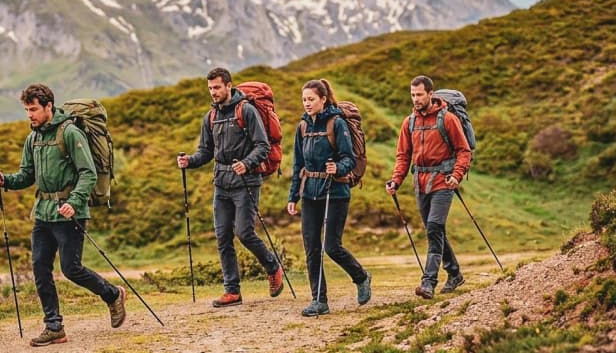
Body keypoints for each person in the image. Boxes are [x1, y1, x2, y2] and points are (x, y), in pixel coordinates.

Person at [0, 83, 126, 346]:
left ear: (48, 106)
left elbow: (88, 173)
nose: (30, 115)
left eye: (33, 109)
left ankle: (112, 295)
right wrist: (5, 180)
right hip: (43, 213)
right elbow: (26, 176)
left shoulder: (71, 133)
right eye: (27, 110)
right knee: (40, 268)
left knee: (71, 269)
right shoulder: (33, 138)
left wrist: (74, 202)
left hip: (69, 213)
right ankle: (54, 327)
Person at [176, 67, 284, 308]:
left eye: (217, 87)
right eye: (210, 88)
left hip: (246, 182)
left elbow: (262, 146)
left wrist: (246, 164)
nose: (213, 92)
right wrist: (189, 161)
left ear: (228, 86)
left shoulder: (246, 110)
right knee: (222, 236)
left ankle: (273, 266)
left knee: (244, 233)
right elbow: (206, 152)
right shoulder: (211, 117)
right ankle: (232, 291)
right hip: (221, 184)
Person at [286, 78, 371, 316]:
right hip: (310, 193)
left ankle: (361, 276)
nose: (307, 104)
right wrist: (293, 196)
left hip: (335, 193)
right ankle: (319, 301)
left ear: (323, 99)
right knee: (311, 248)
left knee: (332, 246)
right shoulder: (302, 127)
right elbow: (298, 164)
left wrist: (339, 168)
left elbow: (349, 158)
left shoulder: (337, 123)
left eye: (311, 99)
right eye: (304, 100)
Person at [386, 75, 473, 299]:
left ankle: (428, 282)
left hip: (444, 181)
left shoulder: (449, 119)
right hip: (420, 182)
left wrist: (457, 174)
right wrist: (396, 180)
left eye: (419, 94)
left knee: (434, 227)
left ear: (430, 94)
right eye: (413, 94)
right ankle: (454, 273)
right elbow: (403, 156)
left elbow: (464, 151)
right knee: (435, 230)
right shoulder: (409, 122)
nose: (415, 99)